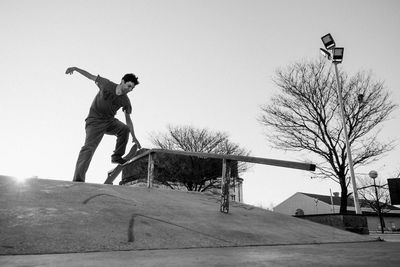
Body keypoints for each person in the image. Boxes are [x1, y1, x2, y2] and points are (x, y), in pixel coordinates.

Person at [66, 67, 142, 182]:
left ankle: (116, 156)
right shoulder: (106, 84)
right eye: (129, 86)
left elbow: (128, 120)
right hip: (94, 122)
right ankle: (78, 179)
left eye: (132, 88)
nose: (130, 89)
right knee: (88, 148)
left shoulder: (125, 101)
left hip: (109, 122)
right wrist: (75, 69)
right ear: (122, 81)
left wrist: (134, 136)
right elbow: (90, 76)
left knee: (124, 129)